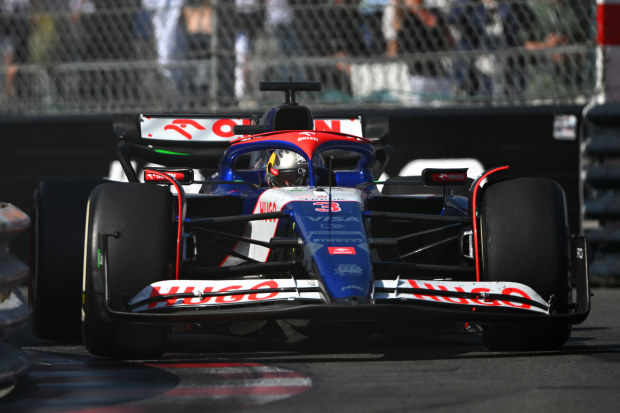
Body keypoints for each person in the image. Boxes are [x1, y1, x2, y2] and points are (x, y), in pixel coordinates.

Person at [384, 0, 454, 105]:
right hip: (416, 76)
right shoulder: (403, 16)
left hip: (438, 74)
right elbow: (394, 49)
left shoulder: (435, 13)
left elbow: (449, 43)